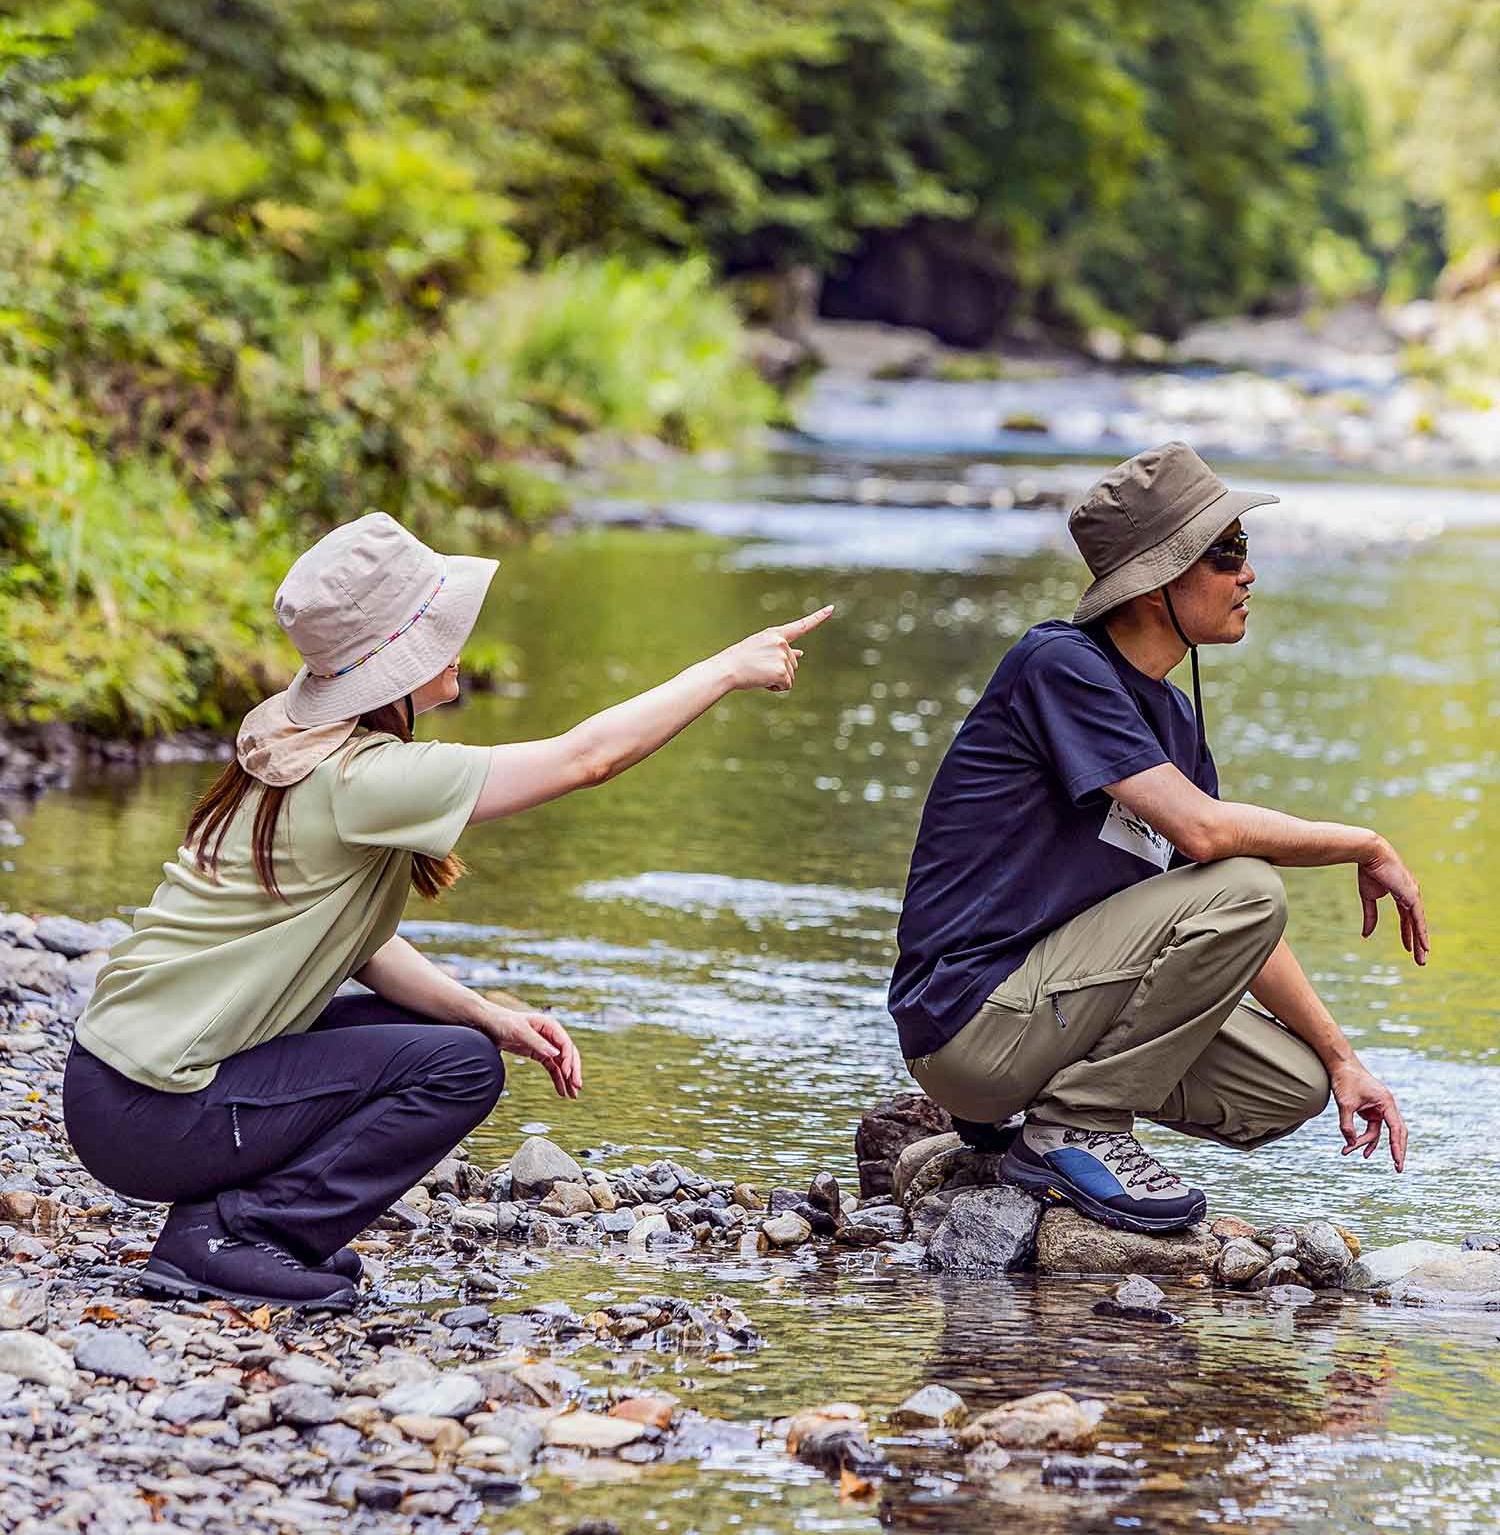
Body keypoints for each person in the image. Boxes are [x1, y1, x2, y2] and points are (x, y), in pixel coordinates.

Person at [63, 511, 833, 1309]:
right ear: (395, 661)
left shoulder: (303, 741)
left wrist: (485, 1011)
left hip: (123, 1089)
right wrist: (726, 669)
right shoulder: (364, 778)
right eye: (437, 627)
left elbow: (359, 945)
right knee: (457, 1069)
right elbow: (587, 759)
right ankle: (237, 1237)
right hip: (149, 1109)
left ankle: (223, 1227)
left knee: (455, 1038)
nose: (458, 642)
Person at [888, 442, 1427, 1234]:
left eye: (1244, 550)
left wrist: (1345, 1058)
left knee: (1288, 1085)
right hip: (970, 1024)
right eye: (1226, 553)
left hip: (1047, 1013)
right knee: (1250, 882)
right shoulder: (1058, 665)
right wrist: (1364, 843)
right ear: (1153, 583)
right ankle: (1073, 1130)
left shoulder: (1173, 721)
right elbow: (1209, 842)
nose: (1249, 574)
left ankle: (1026, 1125)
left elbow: (1229, 925)